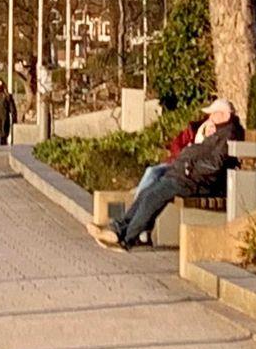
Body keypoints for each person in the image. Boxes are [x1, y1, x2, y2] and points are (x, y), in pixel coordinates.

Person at [97, 98, 243, 249]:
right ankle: (118, 230)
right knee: (147, 192)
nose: (210, 117)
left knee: (153, 197)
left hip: (196, 181)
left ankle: (126, 239)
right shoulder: (220, 131)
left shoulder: (228, 134)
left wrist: (188, 167)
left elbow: (214, 165)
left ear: (225, 115)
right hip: (186, 176)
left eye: (214, 114)